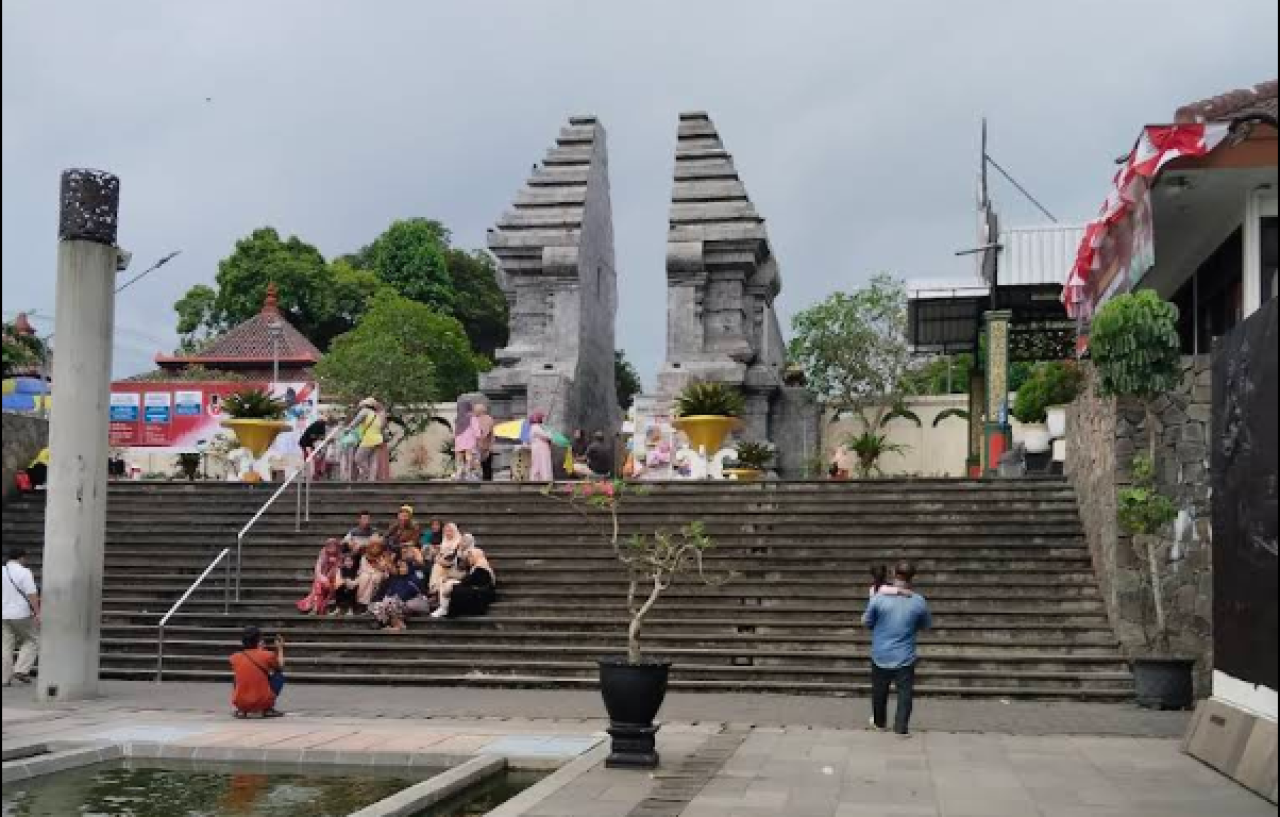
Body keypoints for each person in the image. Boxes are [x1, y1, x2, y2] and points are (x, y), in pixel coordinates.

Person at [862, 560, 932, 736]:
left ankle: (879, 723)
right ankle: (901, 727)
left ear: (894, 574)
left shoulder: (878, 599)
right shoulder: (919, 601)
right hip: (905, 655)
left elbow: (867, 622)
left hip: (881, 653)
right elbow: (925, 625)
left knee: (879, 691)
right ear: (912, 577)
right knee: (905, 693)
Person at [432, 533, 495, 618]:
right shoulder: (476, 566)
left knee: (452, 587)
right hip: (475, 590)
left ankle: (445, 608)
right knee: (448, 583)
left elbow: (470, 581)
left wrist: (454, 586)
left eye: (471, 557)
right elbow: (468, 580)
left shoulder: (481, 568)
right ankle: (444, 608)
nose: (469, 559)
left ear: (476, 556)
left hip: (481, 595)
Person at [3, 548, 40, 686]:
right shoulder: (24, 572)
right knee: (32, 639)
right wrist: (37, 612)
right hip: (20, 614)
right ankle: (21, 669)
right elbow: (31, 593)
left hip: (3, 614)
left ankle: (3, 678)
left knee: (5, 645)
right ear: (22, 558)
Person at [230, 626, 285, 718]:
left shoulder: (234, 657)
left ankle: (242, 710)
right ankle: (267, 709)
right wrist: (280, 648)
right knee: (278, 676)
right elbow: (279, 667)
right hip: (262, 702)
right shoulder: (267, 655)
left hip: (240, 703)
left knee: (239, 676)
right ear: (259, 640)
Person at [368, 558, 423, 632]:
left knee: (392, 604)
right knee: (377, 604)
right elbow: (390, 591)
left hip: (409, 604)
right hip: (395, 603)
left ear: (409, 567)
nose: (401, 569)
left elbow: (407, 594)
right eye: (400, 567)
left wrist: (392, 599)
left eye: (403, 567)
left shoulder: (414, 579)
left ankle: (398, 625)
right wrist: (387, 599)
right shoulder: (397, 578)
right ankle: (381, 621)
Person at [296, 539, 342, 615]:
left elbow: (339, 571)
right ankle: (315, 608)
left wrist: (334, 565)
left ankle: (318, 608)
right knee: (318, 584)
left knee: (324, 585)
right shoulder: (323, 554)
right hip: (323, 580)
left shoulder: (339, 556)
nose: (332, 548)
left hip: (333, 581)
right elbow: (318, 569)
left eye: (334, 546)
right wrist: (322, 578)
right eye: (329, 546)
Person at [348, 398, 384, 482]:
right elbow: (381, 426)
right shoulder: (376, 414)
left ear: (365, 405)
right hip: (378, 439)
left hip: (369, 439)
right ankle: (371, 480)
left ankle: (367, 473)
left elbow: (356, 421)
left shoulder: (365, 411)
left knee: (358, 458)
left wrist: (349, 428)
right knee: (373, 461)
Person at [354, 535, 392, 611]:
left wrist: (379, 568)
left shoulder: (383, 556)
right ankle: (361, 602)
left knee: (375, 578)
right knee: (365, 578)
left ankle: (369, 602)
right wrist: (372, 571)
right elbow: (363, 568)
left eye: (377, 547)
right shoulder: (365, 556)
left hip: (379, 573)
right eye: (373, 546)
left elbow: (385, 568)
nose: (375, 549)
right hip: (366, 573)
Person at [331, 552, 361, 616]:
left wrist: (352, 583)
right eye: (347, 561)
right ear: (344, 562)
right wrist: (346, 582)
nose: (349, 563)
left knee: (352, 590)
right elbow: (342, 578)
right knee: (338, 589)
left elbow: (357, 579)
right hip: (344, 584)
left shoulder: (355, 570)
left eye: (350, 561)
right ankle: (338, 608)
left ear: (353, 562)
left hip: (353, 586)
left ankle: (350, 609)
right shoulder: (342, 569)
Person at [528, 412, 554, 482]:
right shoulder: (535, 427)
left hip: (539, 449)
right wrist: (549, 432)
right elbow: (547, 436)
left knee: (539, 464)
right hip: (540, 449)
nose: (542, 419)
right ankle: (544, 479)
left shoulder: (536, 427)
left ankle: (539, 479)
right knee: (542, 464)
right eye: (541, 418)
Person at [474, 404, 496, 482]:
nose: (474, 411)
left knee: (486, 468)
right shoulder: (475, 419)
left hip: (484, 447)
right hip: (480, 447)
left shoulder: (487, 419)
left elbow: (485, 433)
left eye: (475, 410)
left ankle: (487, 485)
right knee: (485, 468)